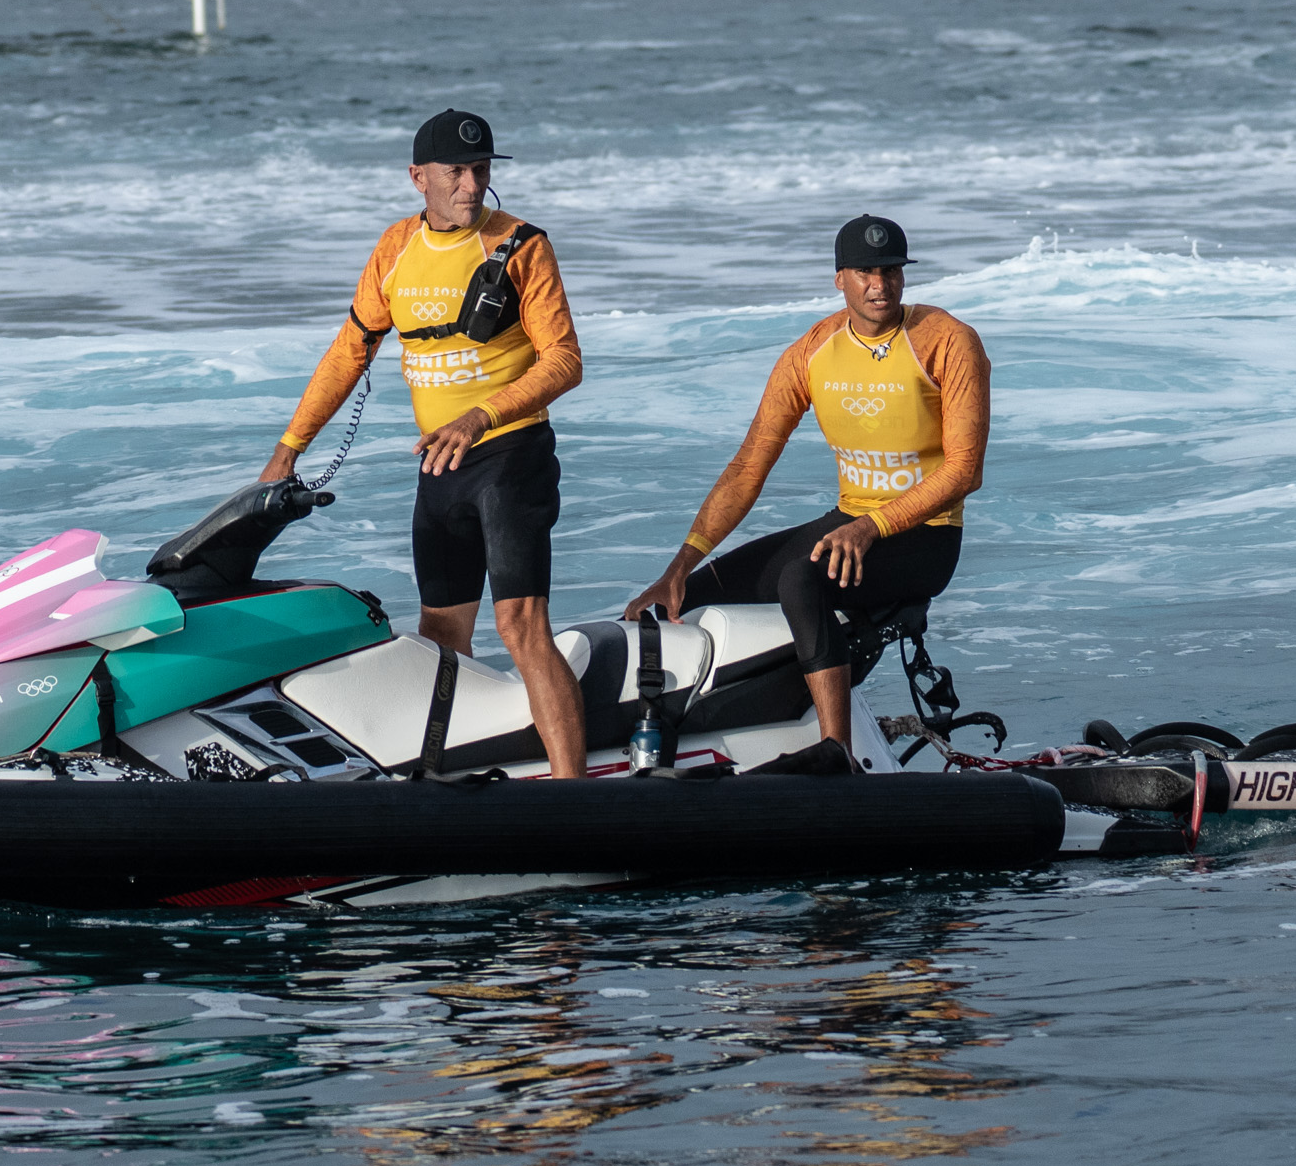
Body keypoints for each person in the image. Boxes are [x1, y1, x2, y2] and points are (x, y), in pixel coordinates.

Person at [261, 109, 591, 779]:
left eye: (481, 170)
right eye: (456, 172)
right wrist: (289, 447)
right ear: (419, 178)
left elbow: (564, 362)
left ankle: (574, 793)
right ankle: (449, 778)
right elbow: (348, 353)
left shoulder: (522, 246)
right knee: (442, 636)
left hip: (511, 459)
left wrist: (479, 417)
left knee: (523, 627)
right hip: (440, 472)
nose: (471, 185)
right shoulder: (394, 250)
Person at [630, 214, 986, 769]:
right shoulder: (813, 352)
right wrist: (680, 564)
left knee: (801, 577)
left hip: (925, 536)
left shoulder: (947, 341)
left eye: (891, 271)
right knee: (692, 596)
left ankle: (834, 754)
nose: (880, 285)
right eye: (865, 272)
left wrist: (871, 527)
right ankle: (698, 737)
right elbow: (750, 464)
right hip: (849, 522)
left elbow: (964, 470)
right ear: (839, 277)